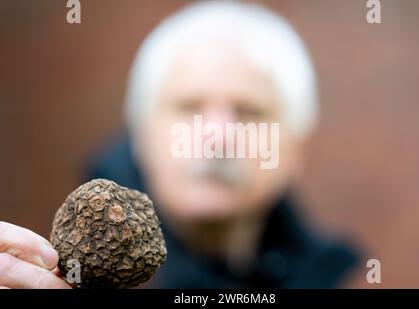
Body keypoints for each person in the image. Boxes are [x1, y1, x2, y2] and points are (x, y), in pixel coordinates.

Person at [0, 1, 359, 289]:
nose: (217, 136)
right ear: (140, 133)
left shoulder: (330, 278)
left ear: (297, 148)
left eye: (249, 112)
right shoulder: (37, 269)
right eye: (188, 107)